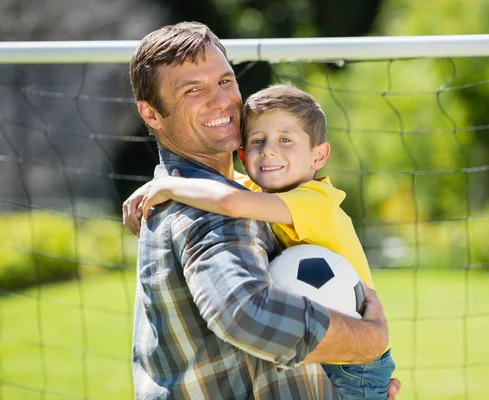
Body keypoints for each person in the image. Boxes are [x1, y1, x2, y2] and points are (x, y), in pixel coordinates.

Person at [122, 21, 401, 399]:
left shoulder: (190, 191)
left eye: (224, 81)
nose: (221, 100)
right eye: (193, 89)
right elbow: (243, 313)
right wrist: (365, 339)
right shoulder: (211, 211)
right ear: (151, 113)